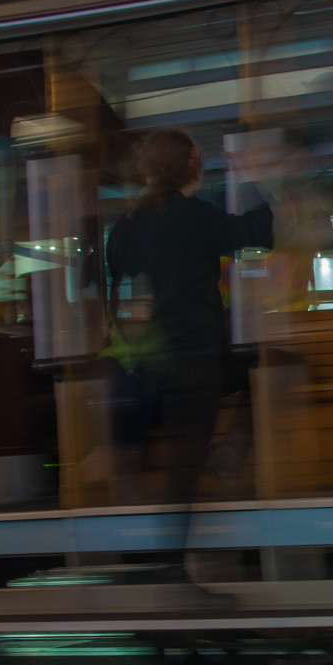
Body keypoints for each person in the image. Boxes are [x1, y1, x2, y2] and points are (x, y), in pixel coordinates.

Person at [106, 128, 274, 507]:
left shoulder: (123, 226)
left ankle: (146, 518)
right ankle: (226, 461)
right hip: (195, 362)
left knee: (176, 474)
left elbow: (122, 298)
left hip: (148, 365)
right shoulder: (195, 217)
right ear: (193, 166)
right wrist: (248, 176)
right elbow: (259, 229)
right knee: (259, 365)